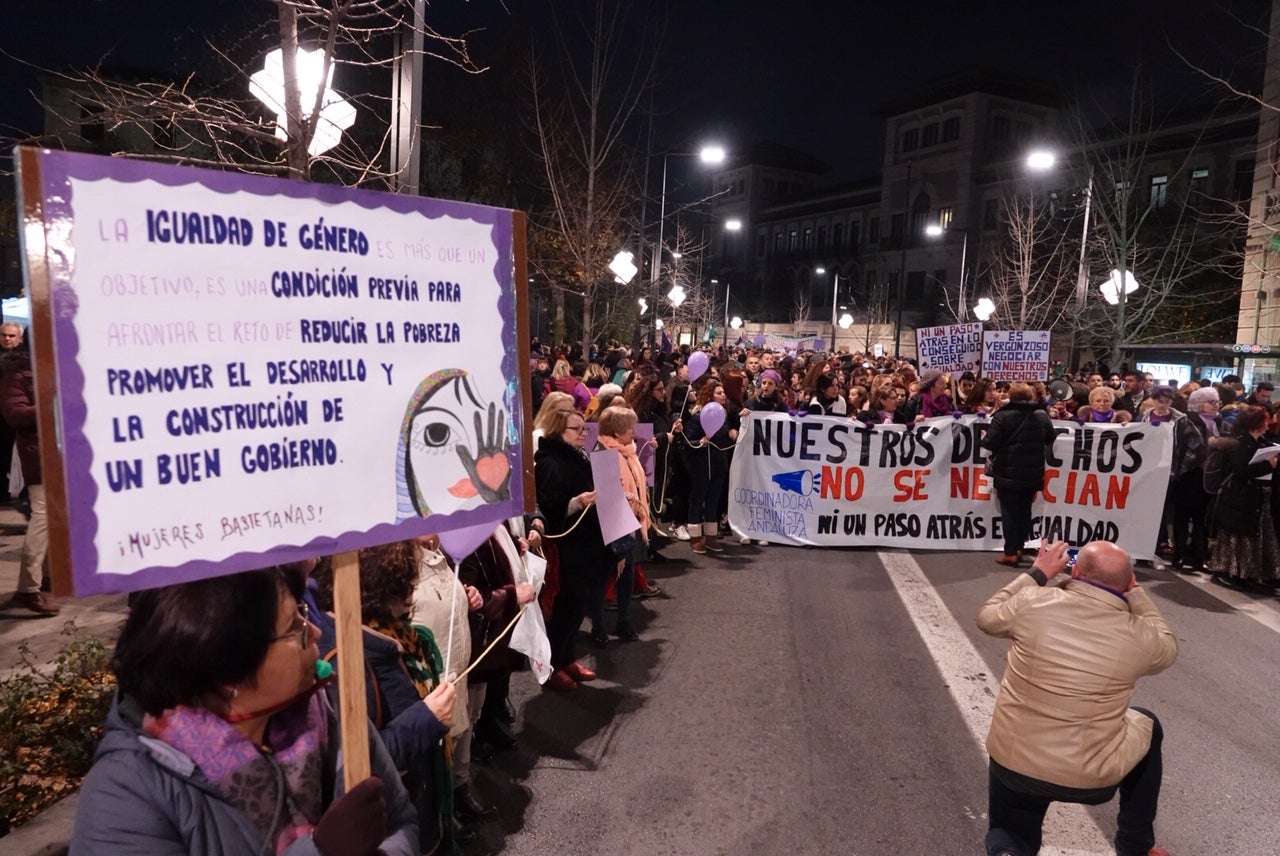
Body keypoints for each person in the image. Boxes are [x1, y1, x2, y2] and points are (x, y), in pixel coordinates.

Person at [71, 567, 419, 856]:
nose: (313, 631)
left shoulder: (333, 710)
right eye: (294, 628)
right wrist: (321, 852)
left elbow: (401, 820)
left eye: (303, 612)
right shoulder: (126, 793)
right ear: (228, 671)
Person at [977, 540, 1178, 856]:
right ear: (1127, 582)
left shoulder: (1031, 602)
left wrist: (1037, 573)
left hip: (1016, 765)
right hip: (1092, 778)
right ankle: (1135, 846)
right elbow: (1167, 644)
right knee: (1148, 724)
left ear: (1075, 569)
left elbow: (987, 616)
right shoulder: (1142, 636)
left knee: (1011, 832)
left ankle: (1009, 849)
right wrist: (1135, 592)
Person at [535, 407, 607, 691]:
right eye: (576, 429)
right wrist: (577, 502)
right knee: (567, 606)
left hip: (588, 543)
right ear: (558, 430)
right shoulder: (551, 463)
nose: (583, 433)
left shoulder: (579, 456)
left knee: (580, 606)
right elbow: (549, 511)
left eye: (584, 428)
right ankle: (552, 665)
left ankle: (566, 657)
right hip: (569, 546)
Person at [1, 334, 57, 615]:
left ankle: (47, 577)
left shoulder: (54, 367)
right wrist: (53, 406)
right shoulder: (17, 373)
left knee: (55, 517)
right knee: (43, 515)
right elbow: (15, 414)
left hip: (61, 453)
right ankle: (27, 588)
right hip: (39, 454)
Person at [982, 382, 1055, 568]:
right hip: (1033, 472)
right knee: (1025, 511)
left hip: (1008, 471)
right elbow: (1050, 438)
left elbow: (990, 443)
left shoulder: (1003, 416)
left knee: (1009, 512)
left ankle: (1010, 552)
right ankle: (1020, 547)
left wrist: (984, 436)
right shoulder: (1041, 415)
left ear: (1011, 396)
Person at [1208, 406, 1280, 587]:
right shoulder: (1240, 444)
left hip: (1252, 498)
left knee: (1248, 537)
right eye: (1264, 421)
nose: (1267, 425)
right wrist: (1268, 466)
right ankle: (1228, 571)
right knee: (1235, 537)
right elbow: (1241, 471)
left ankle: (1245, 572)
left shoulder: (1258, 442)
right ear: (1256, 424)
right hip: (1237, 498)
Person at [683, 381, 739, 554]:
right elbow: (687, 442)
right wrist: (700, 442)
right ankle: (695, 537)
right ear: (710, 396)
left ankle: (711, 536)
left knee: (713, 500)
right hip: (700, 465)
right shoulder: (699, 416)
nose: (723, 395)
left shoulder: (723, 415)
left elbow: (725, 434)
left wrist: (732, 433)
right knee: (697, 500)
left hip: (718, 463)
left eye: (724, 392)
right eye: (719, 393)